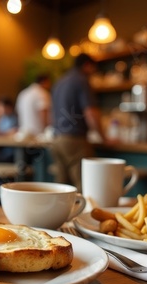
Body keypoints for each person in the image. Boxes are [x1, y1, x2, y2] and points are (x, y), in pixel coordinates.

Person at [50, 53, 108, 191]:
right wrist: (103, 137)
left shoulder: (60, 81)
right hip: (74, 140)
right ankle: (84, 213)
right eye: (93, 69)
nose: (93, 73)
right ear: (87, 65)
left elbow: (51, 113)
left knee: (61, 188)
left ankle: (60, 213)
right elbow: (90, 112)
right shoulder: (81, 80)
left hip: (56, 139)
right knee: (85, 185)